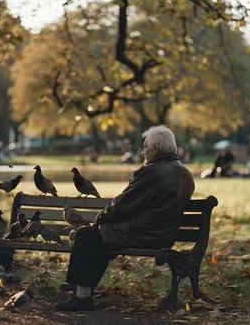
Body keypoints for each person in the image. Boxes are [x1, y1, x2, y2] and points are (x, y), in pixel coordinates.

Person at [56, 125, 195, 311]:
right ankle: (83, 294)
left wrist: (100, 218)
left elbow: (124, 204)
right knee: (96, 238)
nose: (143, 151)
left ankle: (81, 295)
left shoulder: (152, 171)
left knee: (86, 236)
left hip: (142, 234)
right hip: (163, 235)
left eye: (146, 147)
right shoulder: (184, 173)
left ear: (156, 148)